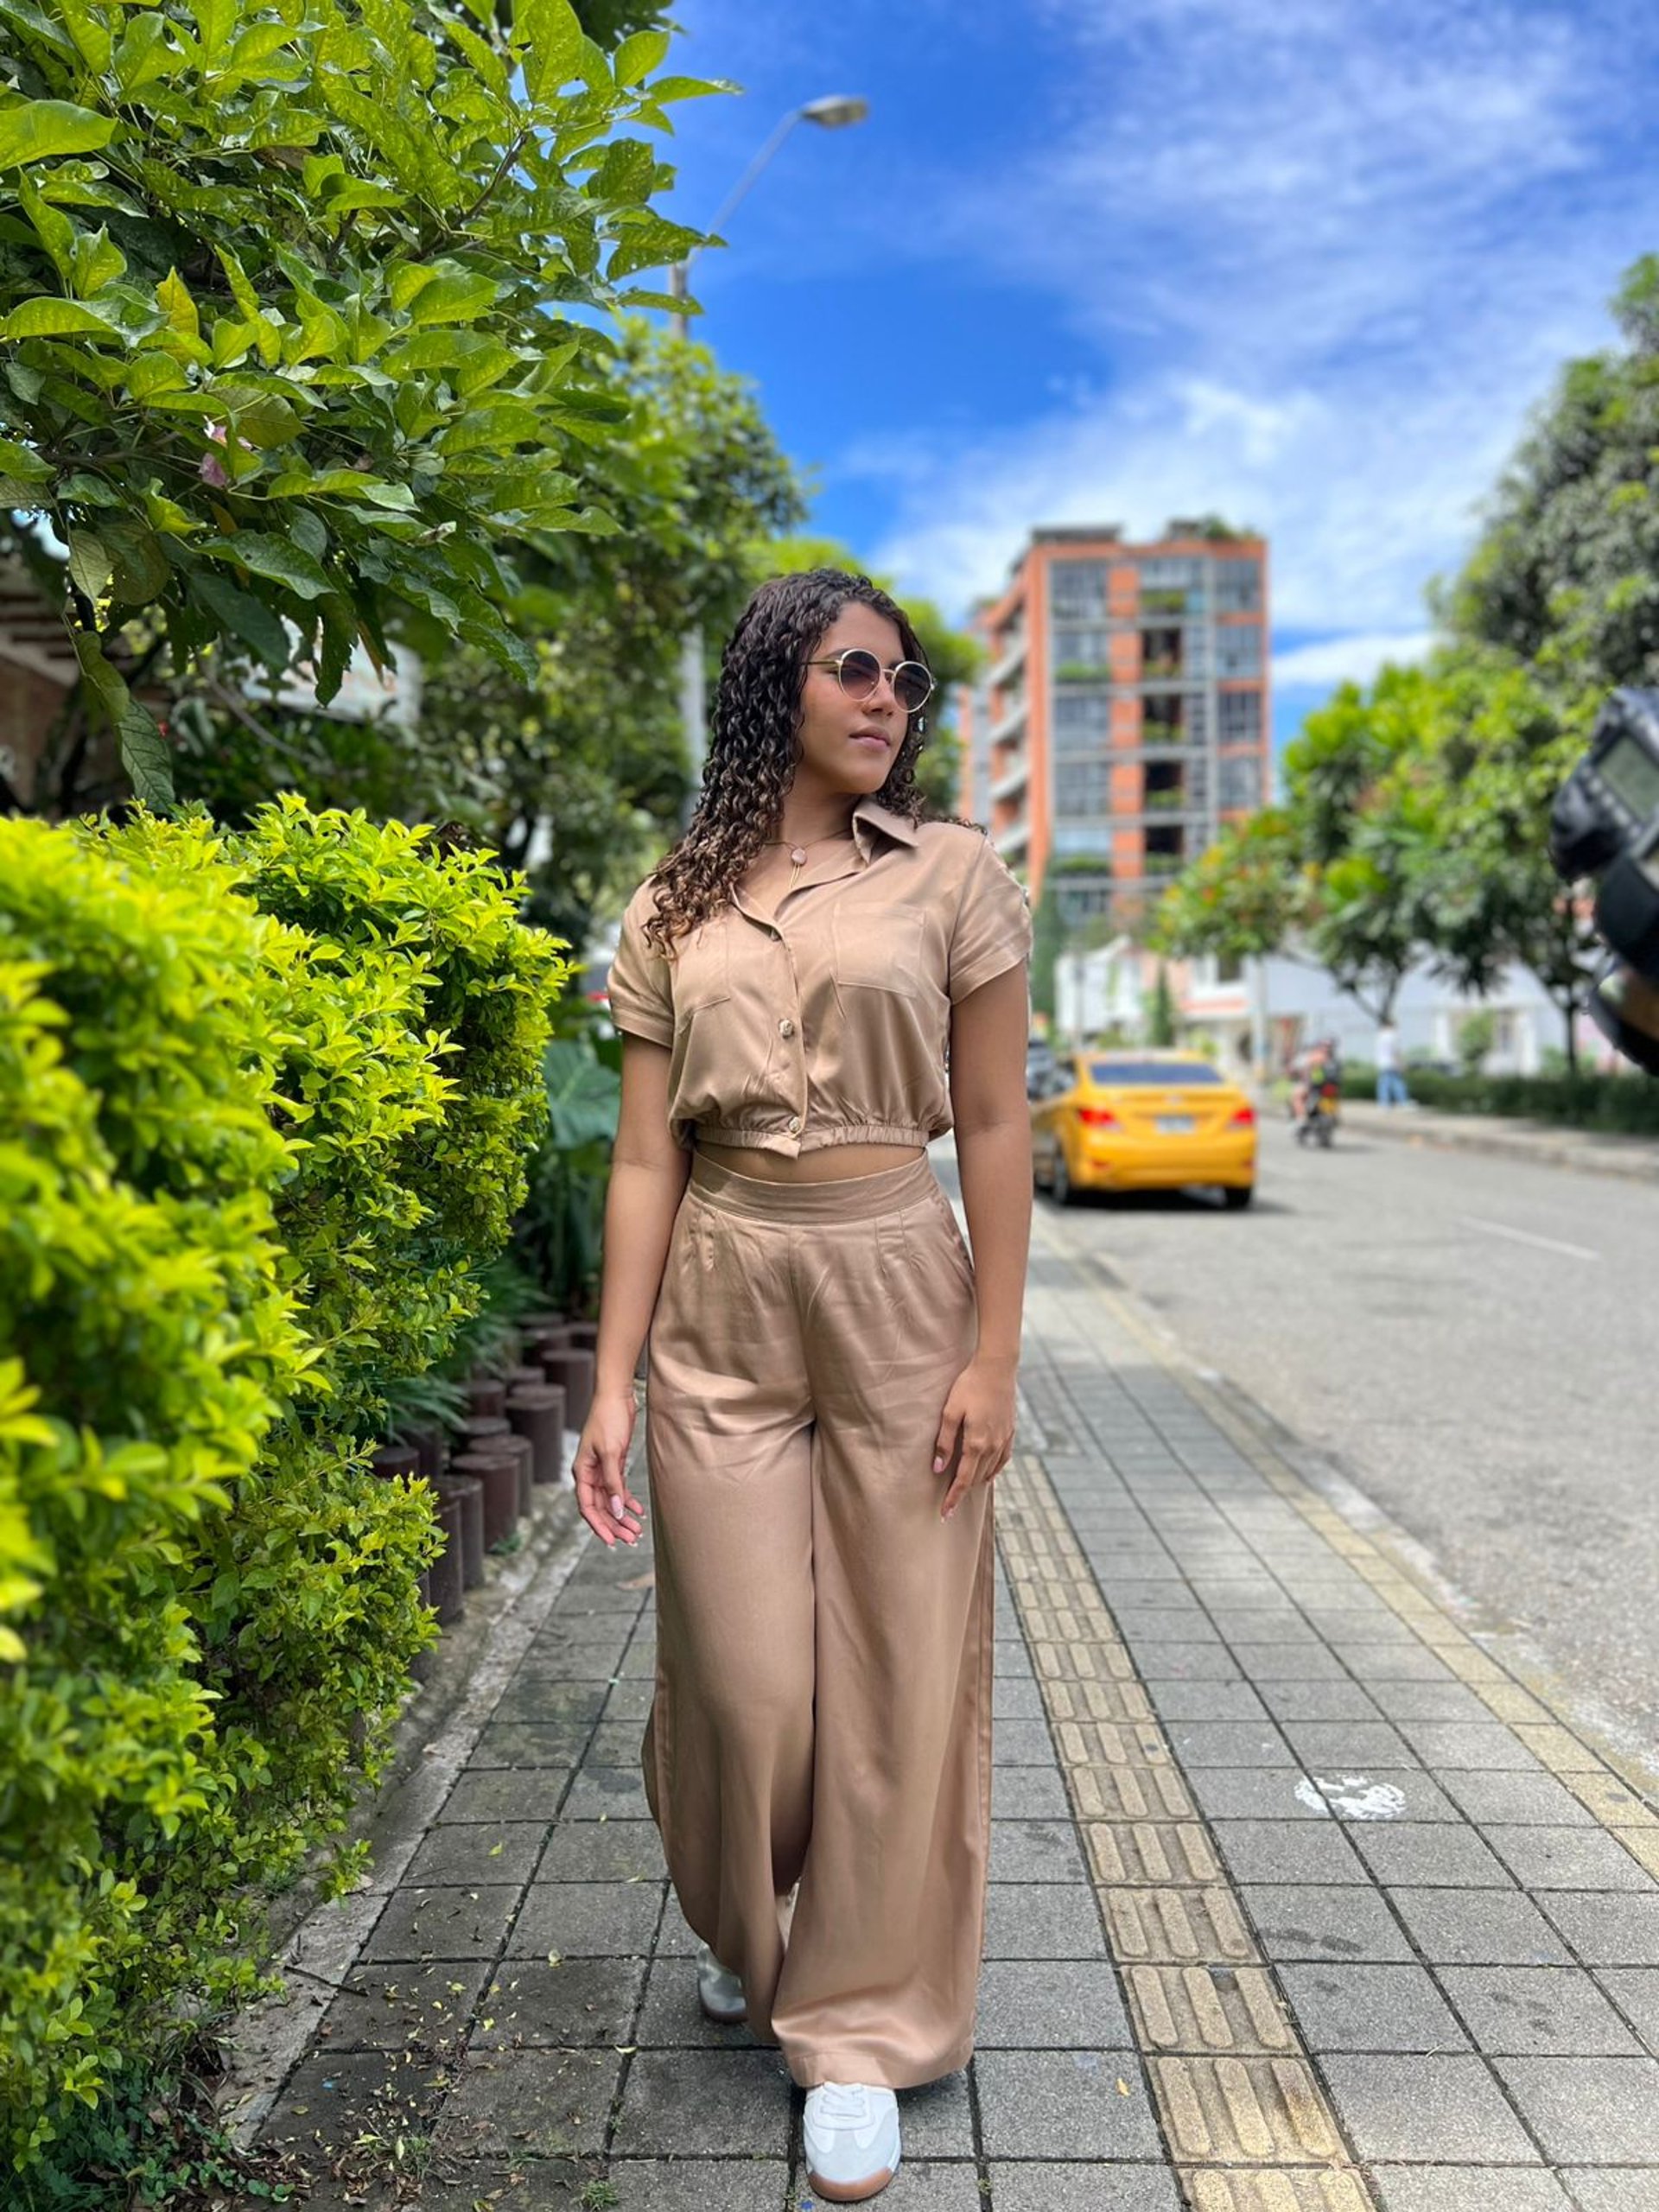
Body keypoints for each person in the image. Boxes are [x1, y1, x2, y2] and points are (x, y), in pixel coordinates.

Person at [577, 569, 1033, 2202]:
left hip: (898, 1275)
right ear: (777, 679)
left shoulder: (955, 877)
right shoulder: (669, 910)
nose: (887, 703)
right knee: (750, 1683)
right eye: (856, 671)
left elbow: (991, 1126)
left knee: (901, 1672)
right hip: (722, 1286)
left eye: (906, 683)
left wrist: (993, 1354)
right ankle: (746, 1923)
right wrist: (611, 1383)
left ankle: (855, 2030)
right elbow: (646, 1154)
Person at [1376, 1015, 1409, 1108]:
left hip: (1382, 1063)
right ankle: (1403, 1102)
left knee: (1384, 1084)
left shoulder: (1380, 1035)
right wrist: (1401, 1063)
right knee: (1398, 1083)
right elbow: (1395, 1051)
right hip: (1392, 1063)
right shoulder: (1393, 1036)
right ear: (1391, 1025)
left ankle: (1383, 1103)